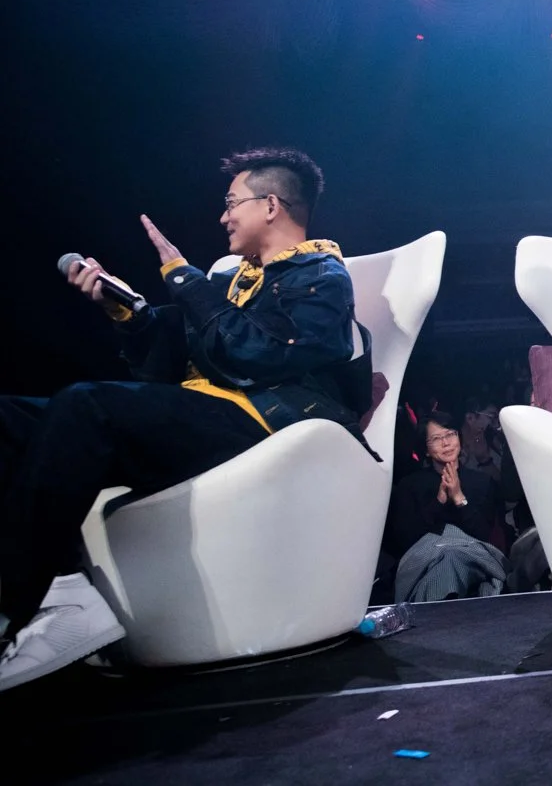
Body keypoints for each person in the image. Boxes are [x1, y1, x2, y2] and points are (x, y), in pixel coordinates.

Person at [0, 148, 371, 691]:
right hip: (206, 412)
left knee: (87, 404)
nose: (223, 216)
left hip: (262, 426)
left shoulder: (321, 275)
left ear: (271, 205)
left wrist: (183, 278)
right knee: (10, 415)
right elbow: (174, 361)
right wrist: (127, 312)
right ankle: (60, 584)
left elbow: (256, 355)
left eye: (231, 203)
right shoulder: (236, 280)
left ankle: (18, 603)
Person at [383, 409, 507, 601]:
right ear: (425, 449)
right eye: (436, 439)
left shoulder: (482, 482)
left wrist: (459, 498)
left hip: (473, 556)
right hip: (424, 559)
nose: (446, 443)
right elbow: (407, 541)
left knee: (452, 558)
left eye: (450, 434)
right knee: (446, 560)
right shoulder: (410, 485)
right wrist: (439, 501)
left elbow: (483, 535)